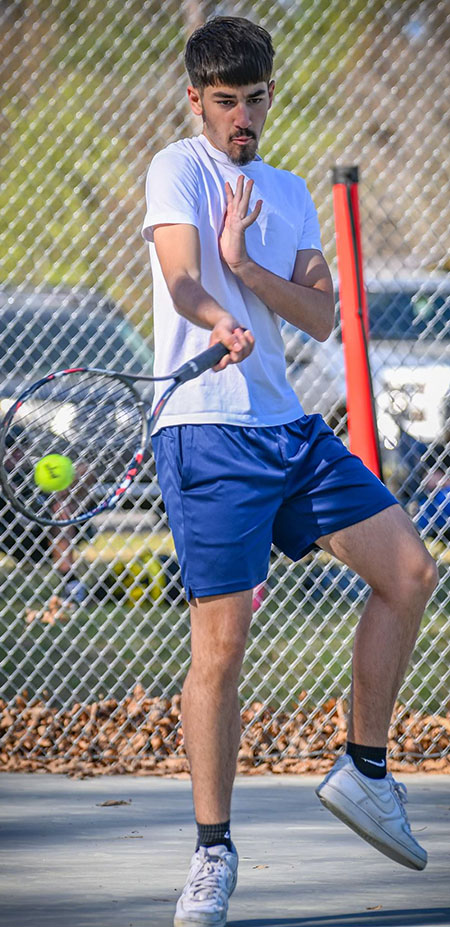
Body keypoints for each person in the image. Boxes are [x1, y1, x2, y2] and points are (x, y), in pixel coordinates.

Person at [142, 17, 438, 926]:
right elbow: (183, 276)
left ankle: (364, 767)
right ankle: (212, 855)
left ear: (271, 95)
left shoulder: (286, 189)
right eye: (225, 100)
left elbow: (317, 314)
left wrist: (250, 274)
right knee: (220, 650)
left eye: (254, 99)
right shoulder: (177, 169)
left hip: (288, 430)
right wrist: (213, 304)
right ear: (197, 98)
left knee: (410, 571)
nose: (241, 116)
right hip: (208, 434)